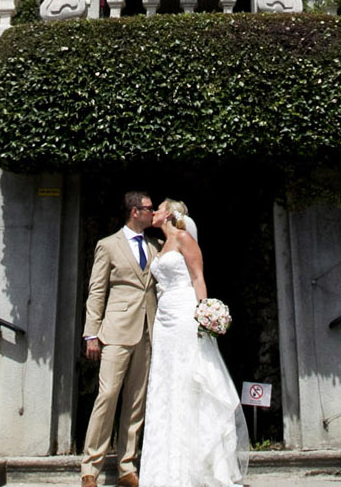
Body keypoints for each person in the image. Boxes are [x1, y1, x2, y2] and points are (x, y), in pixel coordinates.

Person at [140, 200, 248, 487]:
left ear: (171, 213)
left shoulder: (184, 238)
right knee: (166, 382)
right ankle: (164, 467)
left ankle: (198, 464)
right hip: (164, 318)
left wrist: (204, 314)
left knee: (189, 379)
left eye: (158, 208)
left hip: (185, 311)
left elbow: (198, 276)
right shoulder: (160, 243)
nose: (154, 212)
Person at [83, 192, 159, 487]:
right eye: (150, 209)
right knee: (107, 395)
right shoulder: (108, 245)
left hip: (147, 332)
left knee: (136, 401)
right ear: (135, 211)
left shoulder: (156, 246)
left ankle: (127, 465)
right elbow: (97, 291)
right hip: (115, 332)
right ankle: (90, 468)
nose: (153, 214)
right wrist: (92, 333)